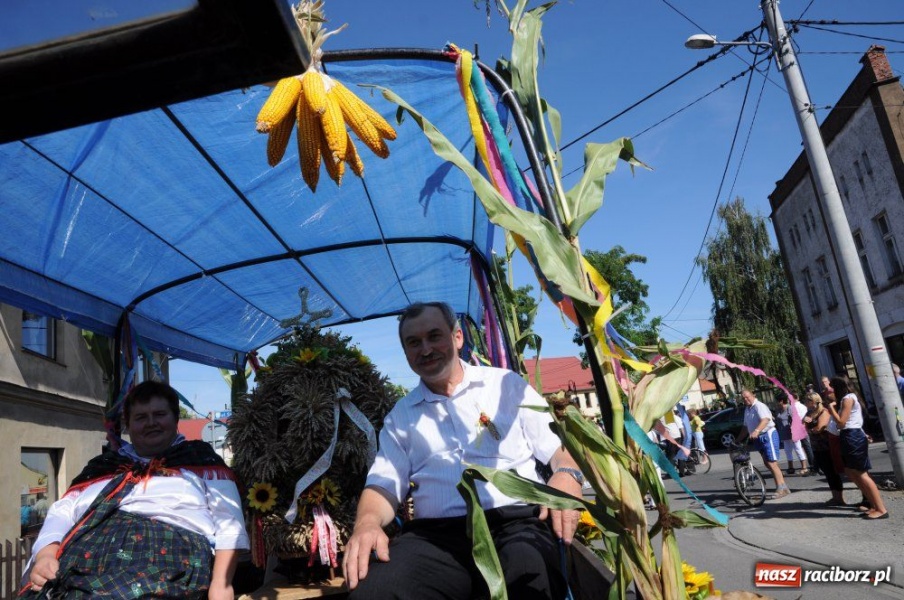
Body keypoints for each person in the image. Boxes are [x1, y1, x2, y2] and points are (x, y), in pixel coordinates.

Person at [342, 302, 583, 599]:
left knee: (529, 573)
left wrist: (568, 473)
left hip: (515, 523)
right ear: (406, 353)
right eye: (414, 342)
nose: (426, 349)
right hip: (438, 538)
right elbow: (383, 485)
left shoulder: (506, 385)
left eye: (434, 336)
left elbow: (559, 449)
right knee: (375, 592)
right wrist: (366, 523)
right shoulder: (400, 417)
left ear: (457, 337)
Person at [23, 381, 249, 599]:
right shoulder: (102, 467)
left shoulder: (203, 462)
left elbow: (229, 522)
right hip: (84, 558)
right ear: (128, 426)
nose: (151, 423)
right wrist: (46, 555)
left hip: (168, 558)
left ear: (175, 419)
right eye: (141, 417)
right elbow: (62, 511)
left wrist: (222, 584)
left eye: (159, 414)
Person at [825, 376, 888, 519]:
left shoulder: (848, 398)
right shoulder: (847, 398)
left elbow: (841, 422)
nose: (830, 391)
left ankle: (881, 509)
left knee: (861, 473)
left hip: (852, 436)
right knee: (850, 471)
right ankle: (873, 505)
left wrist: (831, 409)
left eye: (832, 388)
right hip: (849, 436)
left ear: (838, 387)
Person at [735, 389, 791, 498]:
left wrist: (756, 431)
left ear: (753, 395)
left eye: (747, 397)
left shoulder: (759, 406)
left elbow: (765, 420)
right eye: (743, 398)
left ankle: (781, 488)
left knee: (771, 462)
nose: (745, 399)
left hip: (767, 434)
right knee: (767, 462)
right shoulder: (747, 409)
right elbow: (745, 427)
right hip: (758, 438)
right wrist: (737, 440)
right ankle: (783, 487)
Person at [803, 392, 845, 505]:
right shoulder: (809, 413)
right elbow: (805, 426)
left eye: (807, 400)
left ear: (813, 401)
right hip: (816, 446)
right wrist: (806, 424)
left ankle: (839, 498)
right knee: (827, 472)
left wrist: (810, 430)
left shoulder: (823, 412)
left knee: (832, 472)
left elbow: (820, 428)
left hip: (826, 446)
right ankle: (835, 497)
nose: (805, 403)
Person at [775, 397, 809, 475]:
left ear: (781, 401)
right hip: (784, 433)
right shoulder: (778, 410)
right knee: (787, 450)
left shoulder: (790, 408)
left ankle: (804, 467)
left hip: (792, 432)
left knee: (798, 448)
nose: (776, 403)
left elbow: (795, 419)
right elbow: (777, 420)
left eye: (777, 401)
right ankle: (791, 467)